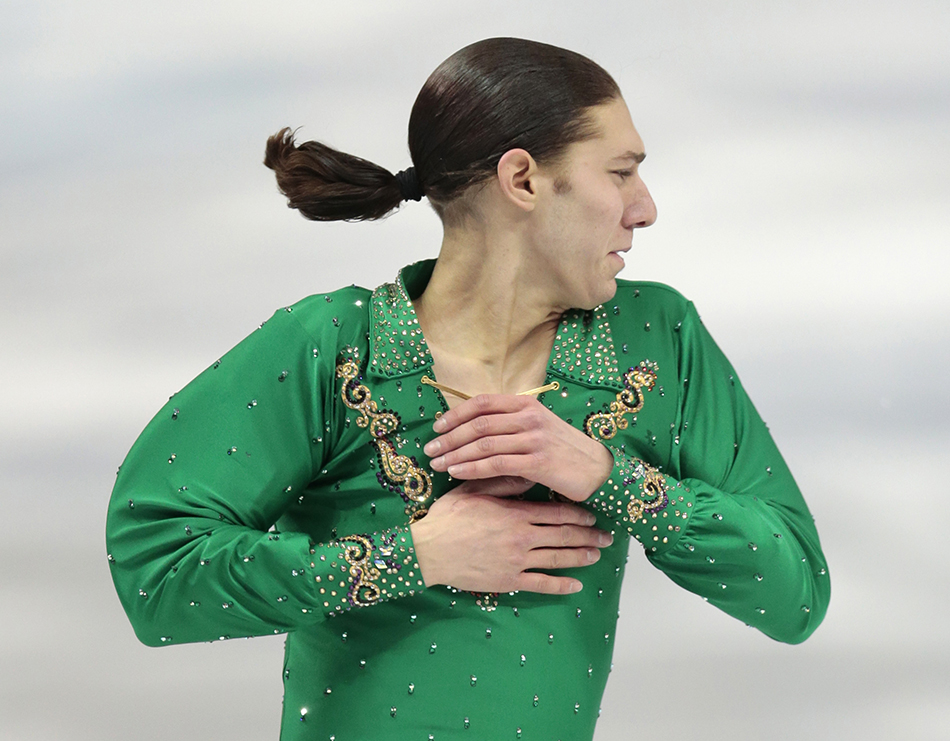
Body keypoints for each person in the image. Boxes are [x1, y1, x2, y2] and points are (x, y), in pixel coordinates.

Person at [106, 37, 830, 740]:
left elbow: (796, 593)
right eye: (619, 172)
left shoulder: (653, 339)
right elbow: (156, 573)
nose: (644, 207)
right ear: (523, 180)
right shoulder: (334, 347)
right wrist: (413, 555)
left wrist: (608, 477)